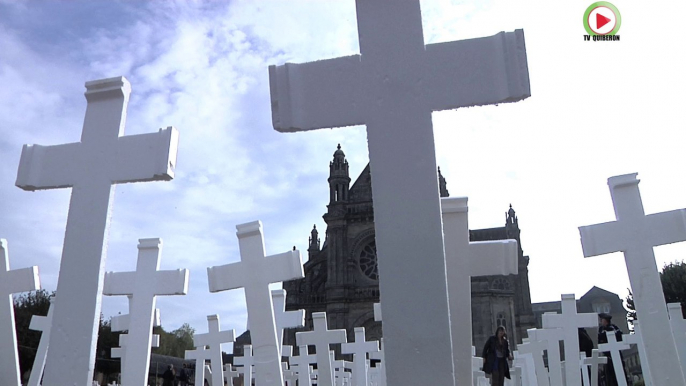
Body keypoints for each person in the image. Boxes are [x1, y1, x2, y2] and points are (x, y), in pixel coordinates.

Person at [598, 313, 624, 386]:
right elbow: (600, 340)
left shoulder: (614, 328)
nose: (601, 321)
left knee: (618, 372)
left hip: (616, 354)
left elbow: (619, 336)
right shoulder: (601, 329)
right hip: (607, 356)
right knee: (608, 376)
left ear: (606, 320)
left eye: (602, 320)